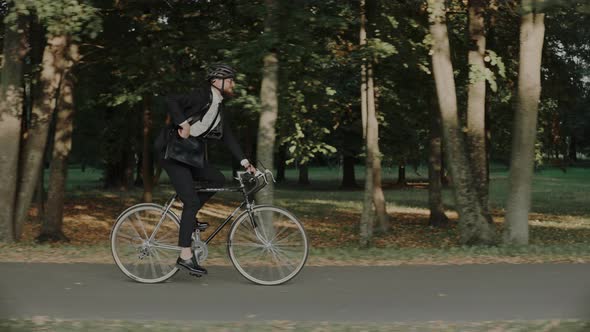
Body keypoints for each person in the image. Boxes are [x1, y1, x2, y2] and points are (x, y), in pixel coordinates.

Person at [156, 64, 256, 275]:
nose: (232, 84)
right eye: (229, 80)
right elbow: (171, 100)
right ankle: (185, 256)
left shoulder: (219, 106)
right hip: (172, 153)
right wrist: (182, 123)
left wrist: (245, 162)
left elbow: (228, 137)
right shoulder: (201, 96)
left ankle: (190, 219)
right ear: (215, 81)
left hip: (190, 155)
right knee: (191, 201)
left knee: (217, 179)